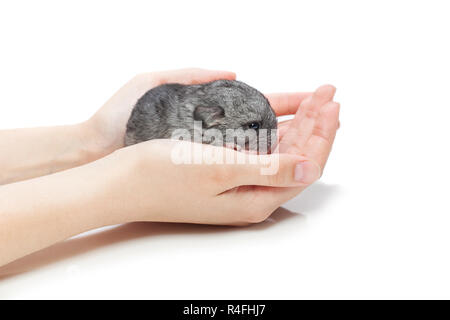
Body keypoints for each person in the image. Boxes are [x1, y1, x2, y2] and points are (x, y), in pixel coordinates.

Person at [0, 68, 340, 267]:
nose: (262, 136)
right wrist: (128, 188)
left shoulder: (212, 114)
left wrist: (90, 141)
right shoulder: (192, 125)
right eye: (253, 127)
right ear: (211, 119)